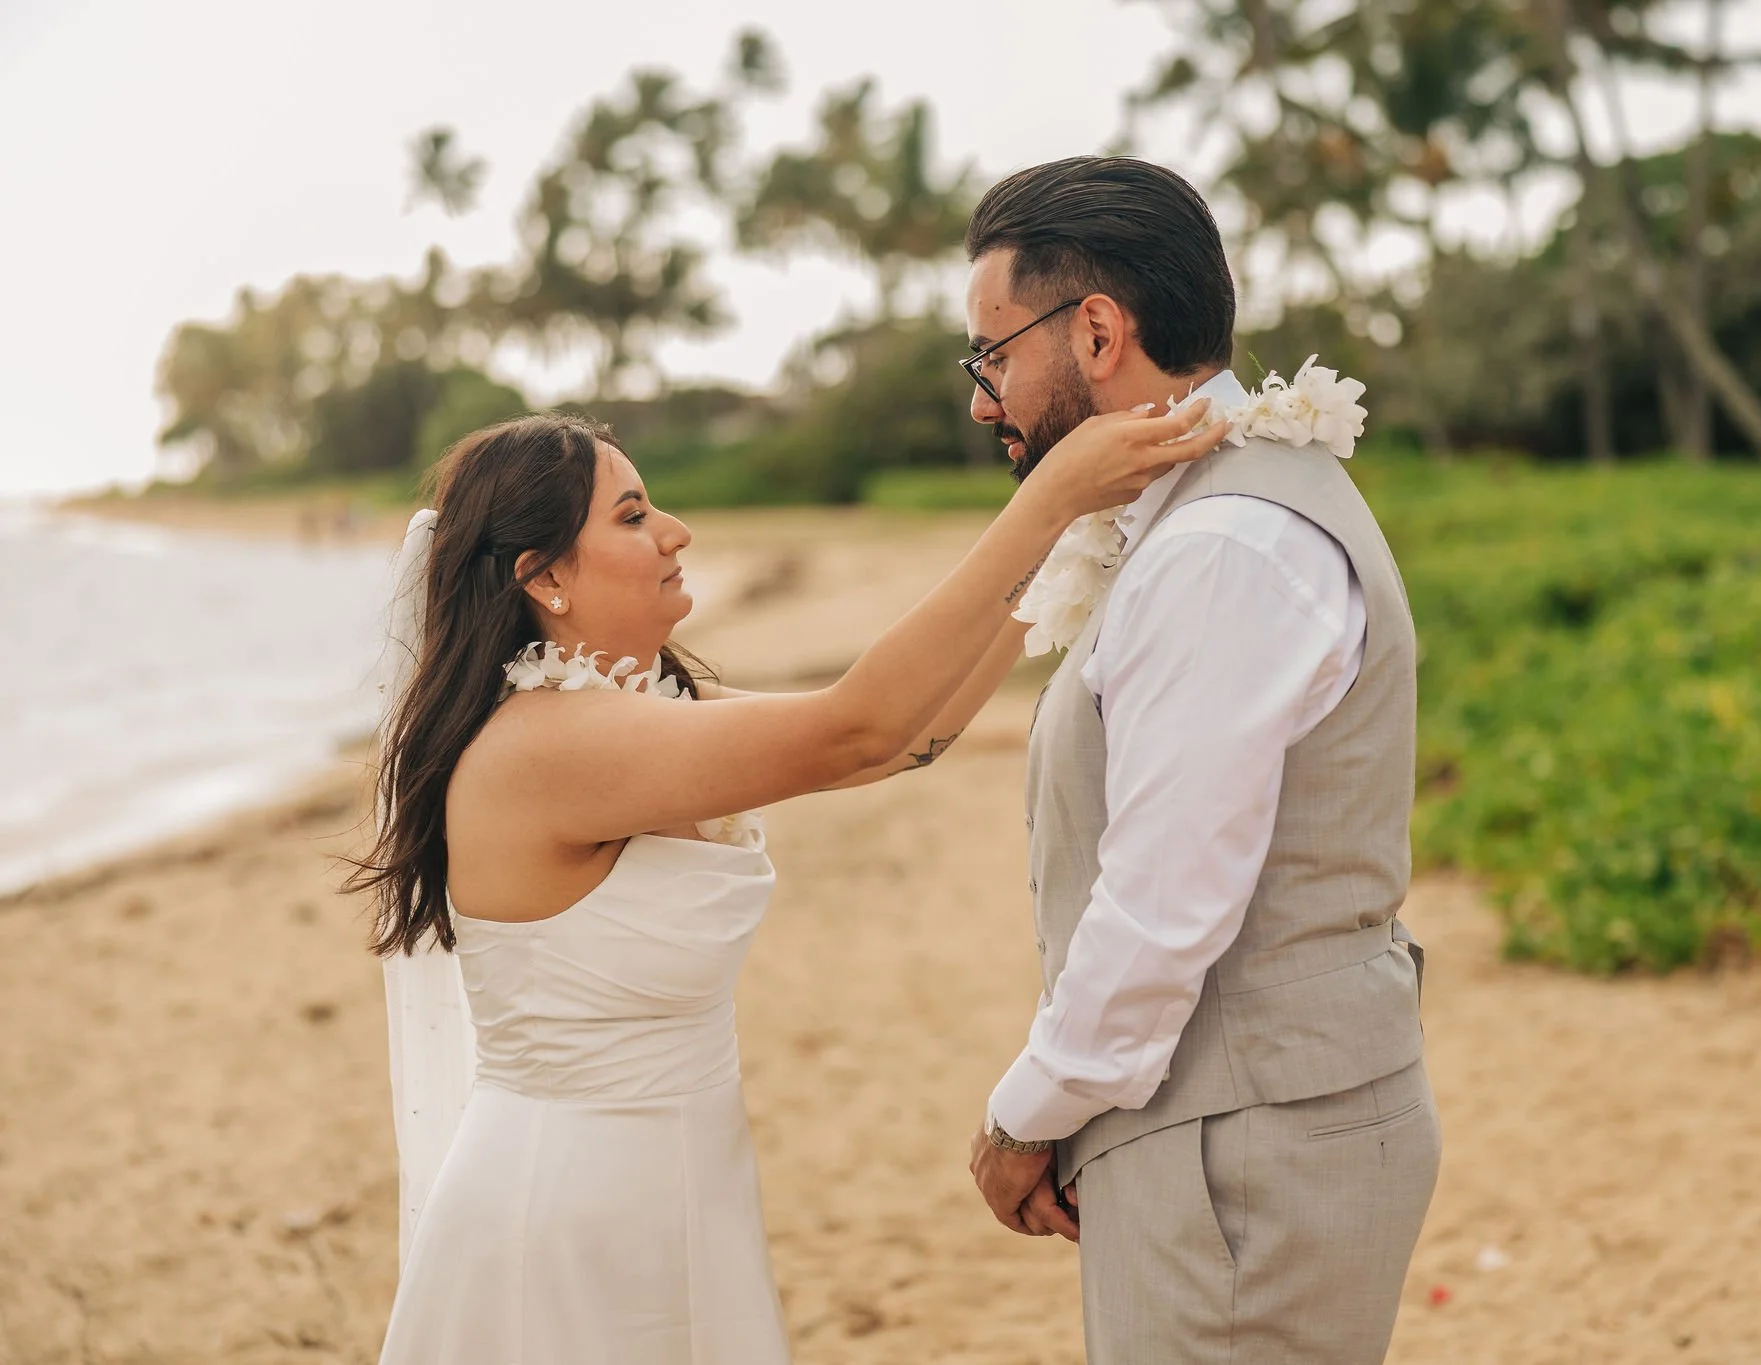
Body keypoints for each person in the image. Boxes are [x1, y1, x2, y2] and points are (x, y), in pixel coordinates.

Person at [353, 402, 1227, 1363]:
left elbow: (901, 742)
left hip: (685, 1177)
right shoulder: (546, 745)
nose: (676, 531)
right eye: (635, 515)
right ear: (546, 575)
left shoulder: (648, 709)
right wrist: (1048, 496)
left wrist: (1058, 541)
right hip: (565, 1207)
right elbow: (855, 726)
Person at [960, 156, 1441, 1363]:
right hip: (1249, 1126)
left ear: (1098, 331)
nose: (981, 399)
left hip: (1246, 1147)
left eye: (990, 356)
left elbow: (1167, 900)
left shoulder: (1219, 546)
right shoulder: (1218, 509)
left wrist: (1025, 1114)